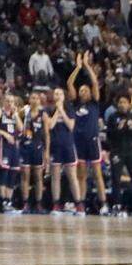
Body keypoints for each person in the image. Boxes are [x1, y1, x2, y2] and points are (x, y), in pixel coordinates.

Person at [68, 52, 108, 214]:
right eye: (81, 90)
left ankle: (104, 203)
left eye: (86, 90)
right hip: (79, 141)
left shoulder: (94, 103)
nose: (83, 91)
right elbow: (69, 82)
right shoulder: (75, 104)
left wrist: (88, 66)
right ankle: (81, 204)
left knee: (98, 174)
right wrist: (77, 68)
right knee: (81, 175)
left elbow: (94, 82)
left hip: (92, 140)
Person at [45, 87, 83, 215]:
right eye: (56, 93)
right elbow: (50, 125)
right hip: (55, 146)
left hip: (67, 145)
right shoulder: (49, 109)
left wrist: (62, 110)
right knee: (55, 176)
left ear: (64, 96)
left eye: (60, 93)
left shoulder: (70, 108)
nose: (58, 95)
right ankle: (56, 204)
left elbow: (71, 126)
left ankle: (78, 204)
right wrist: (57, 111)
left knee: (72, 176)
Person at [0, 94, 23, 214]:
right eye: (7, 101)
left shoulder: (14, 114)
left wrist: (16, 115)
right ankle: (2, 202)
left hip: (14, 146)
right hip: (3, 145)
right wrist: (4, 134)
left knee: (12, 174)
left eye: (12, 101)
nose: (9, 103)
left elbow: (21, 129)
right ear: (3, 102)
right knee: (4, 173)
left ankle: (8, 202)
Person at [19, 91, 47, 214]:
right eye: (32, 98)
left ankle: (39, 203)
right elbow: (15, 120)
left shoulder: (43, 114)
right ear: (29, 100)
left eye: (37, 98)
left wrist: (47, 151)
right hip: (25, 146)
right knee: (25, 175)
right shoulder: (24, 112)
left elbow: (46, 134)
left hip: (37, 147)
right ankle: (25, 203)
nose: (34, 100)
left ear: (39, 101)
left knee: (38, 176)